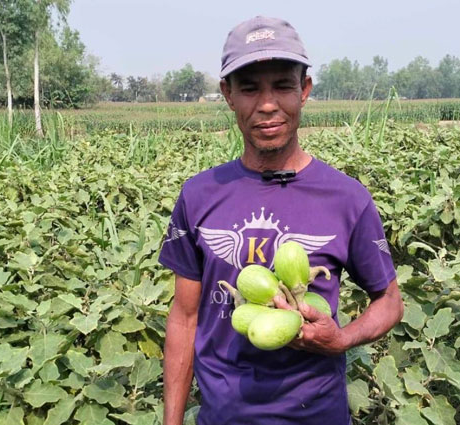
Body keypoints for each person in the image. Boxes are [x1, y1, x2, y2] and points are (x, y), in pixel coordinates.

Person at [159, 16, 404, 425]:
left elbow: (390, 302)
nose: (267, 104)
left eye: (283, 85)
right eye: (250, 88)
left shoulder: (347, 198)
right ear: (228, 94)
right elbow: (184, 319)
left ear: (304, 90)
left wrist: (342, 338)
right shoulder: (199, 194)